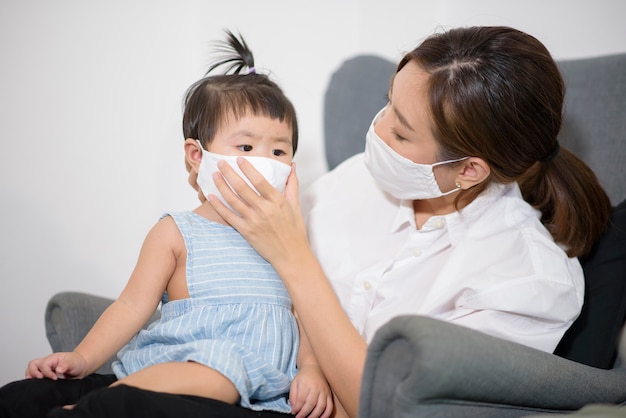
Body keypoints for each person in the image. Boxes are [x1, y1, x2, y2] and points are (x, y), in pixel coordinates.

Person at [206, 26, 613, 418]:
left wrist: (294, 258)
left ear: (469, 171)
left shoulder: (529, 281)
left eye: (400, 133)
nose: (377, 130)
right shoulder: (355, 179)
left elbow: (386, 405)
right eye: (387, 104)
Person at [0, 31, 332, 418]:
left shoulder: (288, 243)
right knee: (20, 397)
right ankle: (97, 403)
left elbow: (304, 313)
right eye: (245, 147)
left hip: (261, 384)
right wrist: (83, 358)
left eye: (278, 151)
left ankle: (92, 409)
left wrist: (311, 369)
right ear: (197, 155)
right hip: (185, 368)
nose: (263, 162)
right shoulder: (177, 232)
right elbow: (131, 306)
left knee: (225, 374)